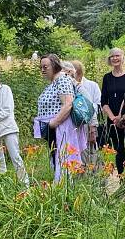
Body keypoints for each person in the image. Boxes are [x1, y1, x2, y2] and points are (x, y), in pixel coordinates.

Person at [33, 54, 87, 182]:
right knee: (57, 158)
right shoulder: (55, 81)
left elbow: (68, 104)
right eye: (41, 67)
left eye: (45, 66)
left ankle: (64, 191)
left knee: (63, 160)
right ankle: (61, 190)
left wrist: (53, 123)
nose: (43, 70)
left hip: (61, 127)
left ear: (55, 65)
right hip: (55, 128)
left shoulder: (62, 79)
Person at [100, 47, 125, 174]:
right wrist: (113, 117)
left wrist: (121, 116)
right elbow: (104, 101)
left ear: (123, 57)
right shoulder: (107, 77)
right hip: (112, 120)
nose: (115, 58)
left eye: (117, 55)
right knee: (119, 150)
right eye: (112, 56)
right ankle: (122, 178)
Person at [71, 60, 102, 167]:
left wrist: (92, 130)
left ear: (78, 74)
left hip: (88, 126)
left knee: (90, 153)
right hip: (72, 127)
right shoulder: (67, 85)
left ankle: (93, 178)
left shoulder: (92, 86)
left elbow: (96, 106)